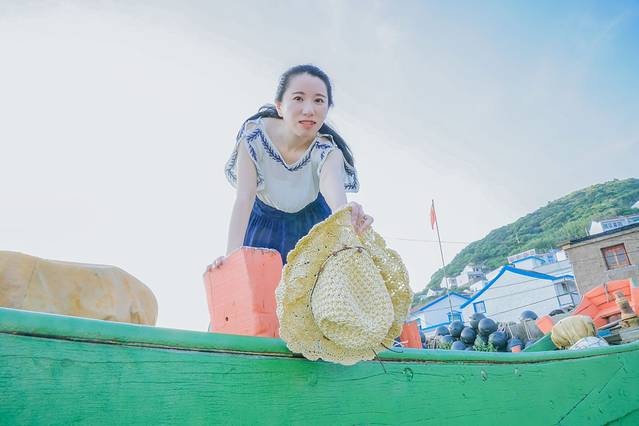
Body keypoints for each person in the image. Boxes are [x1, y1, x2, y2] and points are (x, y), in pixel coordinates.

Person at [207, 64, 374, 270]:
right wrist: (231, 260)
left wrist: (348, 214)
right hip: (263, 227)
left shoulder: (328, 152)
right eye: (298, 98)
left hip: (313, 228)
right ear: (279, 106)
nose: (309, 110)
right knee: (256, 284)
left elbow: (335, 196)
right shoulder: (254, 137)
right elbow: (244, 198)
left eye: (319, 100)